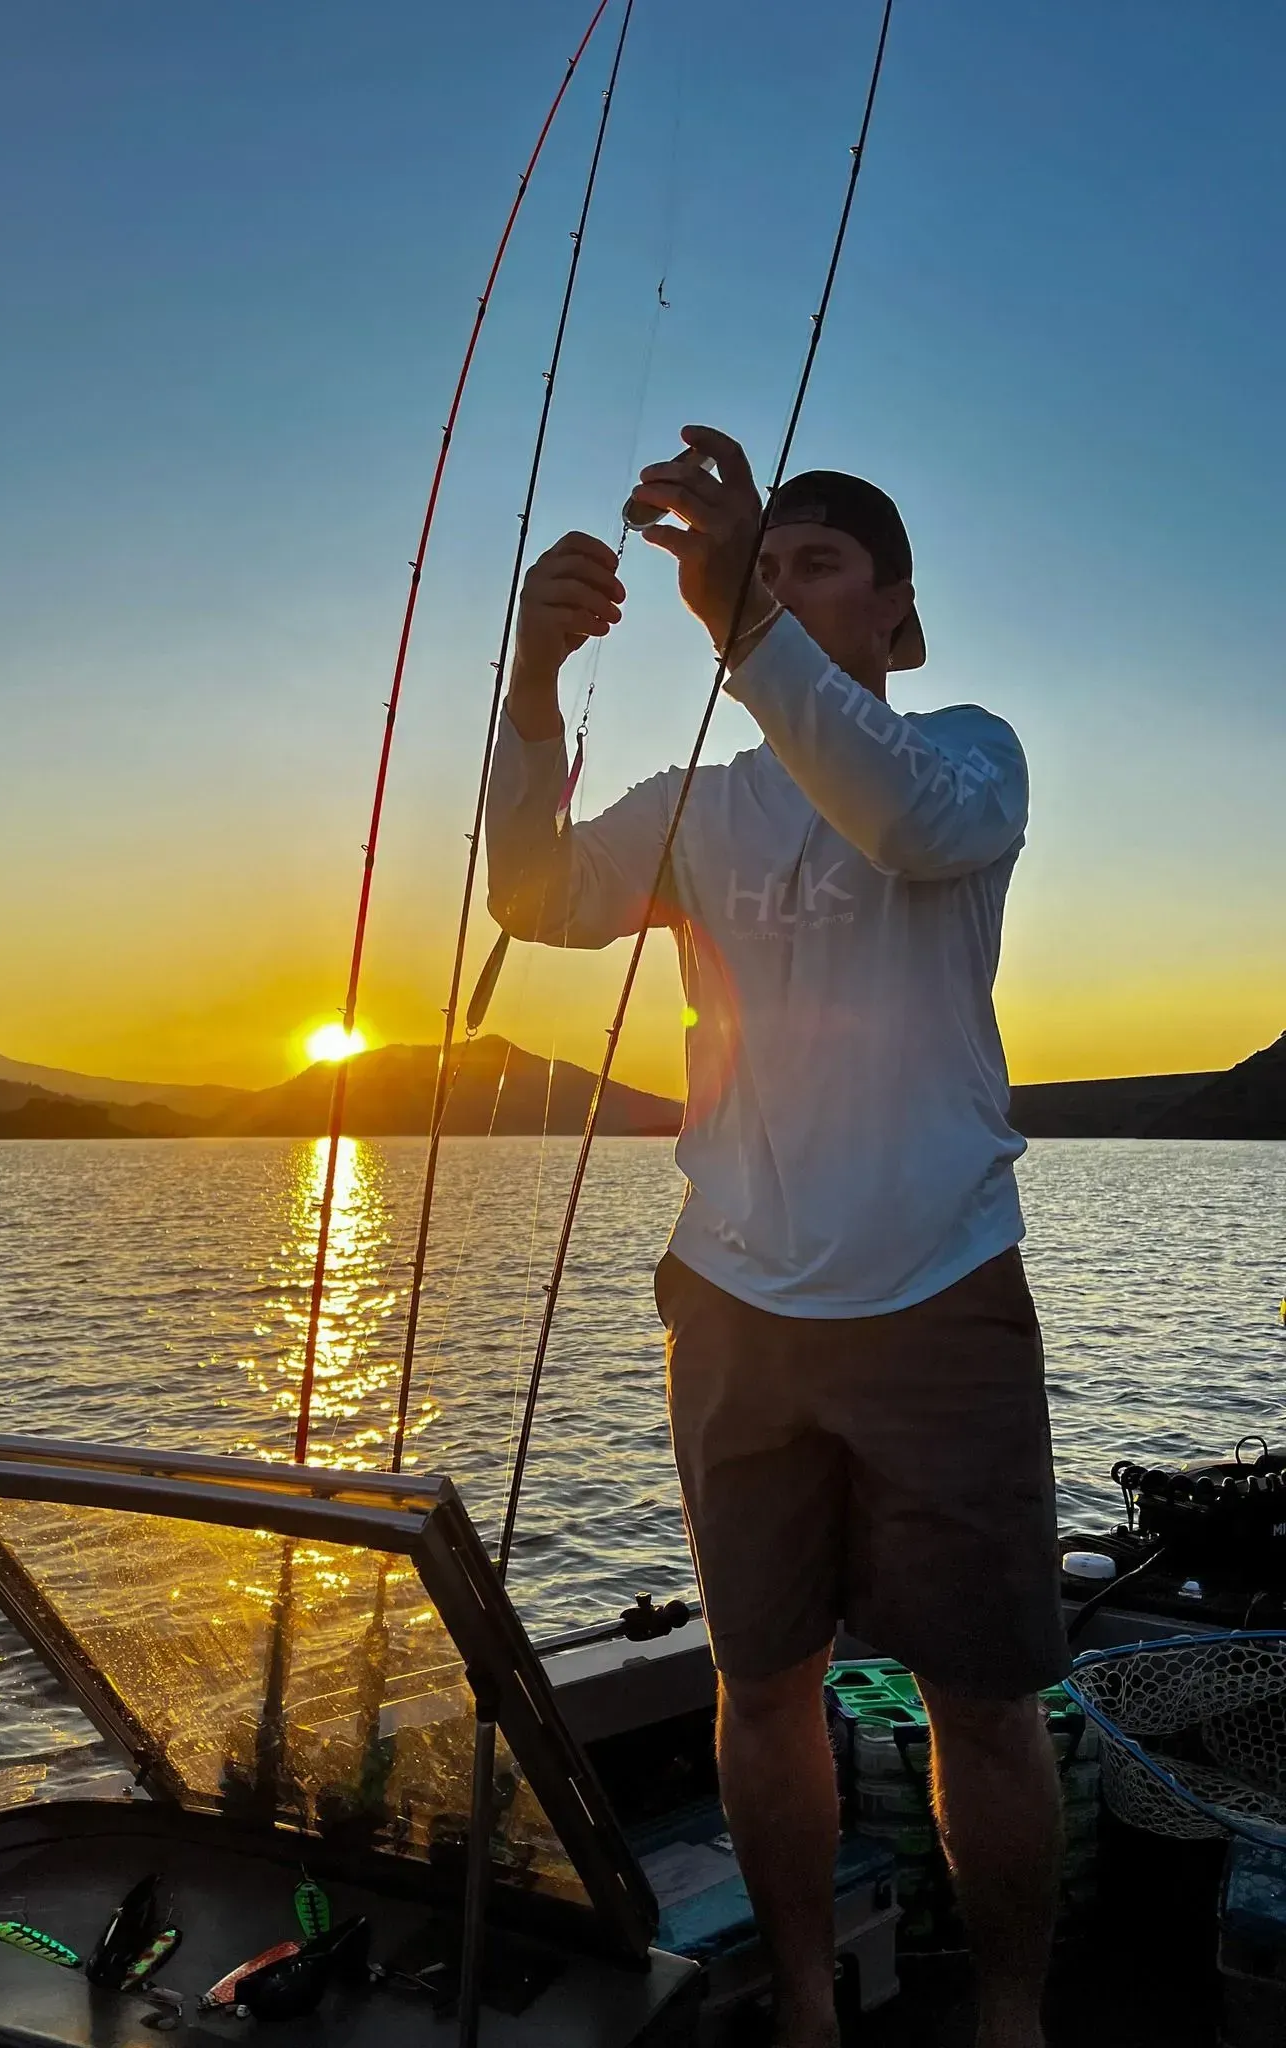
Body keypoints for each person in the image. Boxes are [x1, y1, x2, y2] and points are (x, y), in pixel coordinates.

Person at [484, 426, 1068, 2048]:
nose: (785, 584)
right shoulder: (693, 810)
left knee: (988, 1702)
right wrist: (532, 678)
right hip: (735, 1305)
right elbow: (530, 892)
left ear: (898, 615)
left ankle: (1011, 2019)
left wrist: (743, 623)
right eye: (772, 560)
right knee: (761, 1684)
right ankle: (806, 2013)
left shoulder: (969, 754)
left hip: (940, 1292)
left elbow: (903, 831)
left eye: (820, 565)